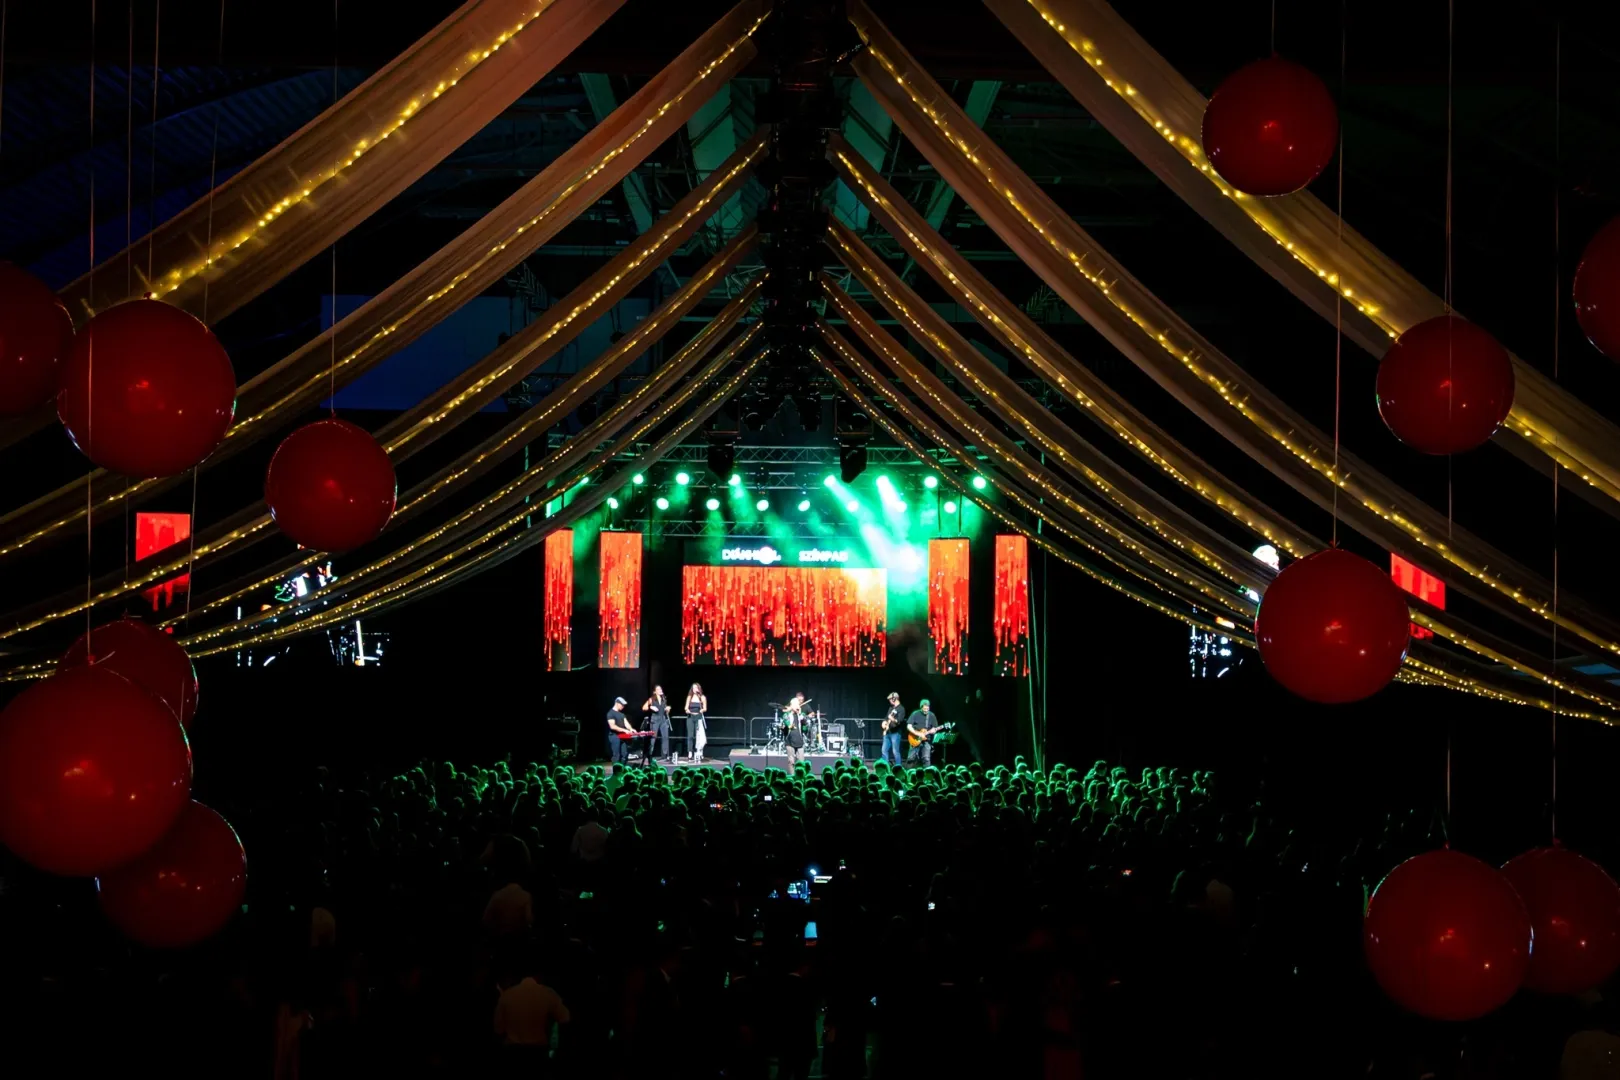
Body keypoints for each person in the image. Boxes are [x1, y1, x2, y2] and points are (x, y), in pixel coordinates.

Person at [493, 953, 571, 1067]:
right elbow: (565, 1018)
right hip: (538, 1052)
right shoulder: (548, 994)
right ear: (540, 974)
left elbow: (498, 1029)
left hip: (512, 1052)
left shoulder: (507, 996)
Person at [906, 699, 942, 767]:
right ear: (921, 707)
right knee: (911, 758)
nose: (926, 710)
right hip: (915, 739)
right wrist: (917, 733)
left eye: (927, 708)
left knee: (926, 759)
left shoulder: (931, 715)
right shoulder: (915, 714)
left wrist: (934, 730)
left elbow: (935, 728)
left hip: (926, 740)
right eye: (924, 708)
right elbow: (909, 726)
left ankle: (927, 775)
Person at [643, 686, 671, 763]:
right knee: (653, 737)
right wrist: (651, 707)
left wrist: (667, 709)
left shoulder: (663, 699)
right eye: (658, 689)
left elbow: (666, 712)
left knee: (665, 737)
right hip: (655, 719)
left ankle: (664, 755)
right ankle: (650, 754)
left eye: (661, 689)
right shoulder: (651, 699)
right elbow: (644, 708)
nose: (660, 690)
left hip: (663, 719)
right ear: (654, 692)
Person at [606, 696, 634, 765]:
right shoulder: (610, 713)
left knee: (624, 755)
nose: (623, 706)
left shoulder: (622, 714)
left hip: (622, 737)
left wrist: (631, 729)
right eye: (622, 704)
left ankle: (623, 770)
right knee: (616, 756)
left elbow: (626, 723)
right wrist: (624, 730)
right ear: (617, 703)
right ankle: (616, 772)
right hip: (614, 736)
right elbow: (612, 726)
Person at [783, 692, 807, 768]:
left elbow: (805, 726)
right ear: (792, 705)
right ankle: (792, 778)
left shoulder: (801, 715)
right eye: (795, 704)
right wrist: (790, 710)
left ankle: (801, 777)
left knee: (801, 764)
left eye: (798, 704)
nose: (797, 706)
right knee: (791, 762)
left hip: (799, 741)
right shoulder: (787, 715)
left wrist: (799, 714)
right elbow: (788, 725)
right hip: (790, 742)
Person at [686, 683, 708, 763]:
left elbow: (705, 708)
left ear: (699, 689)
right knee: (690, 736)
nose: (695, 689)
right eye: (694, 687)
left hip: (698, 717)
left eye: (696, 687)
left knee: (699, 736)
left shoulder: (702, 697)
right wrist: (687, 710)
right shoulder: (689, 697)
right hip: (690, 717)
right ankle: (690, 753)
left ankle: (699, 752)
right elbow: (686, 707)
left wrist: (702, 710)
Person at [882, 692, 905, 767]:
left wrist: (893, 719)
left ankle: (898, 767)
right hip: (887, 732)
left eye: (890, 699)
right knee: (884, 750)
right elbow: (886, 717)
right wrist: (884, 722)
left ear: (894, 699)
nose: (889, 701)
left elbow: (899, 721)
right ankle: (886, 767)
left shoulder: (901, 709)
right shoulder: (891, 708)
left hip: (895, 733)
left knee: (895, 751)